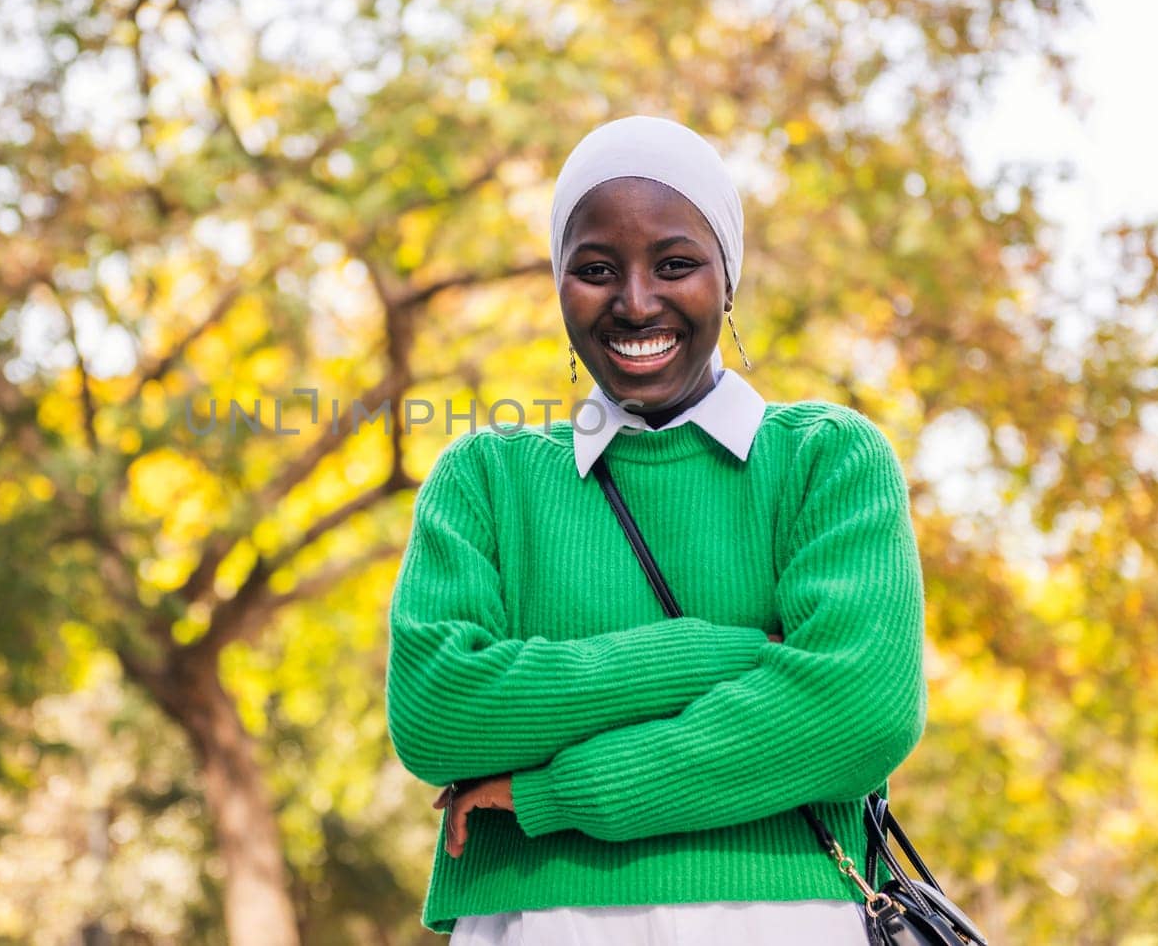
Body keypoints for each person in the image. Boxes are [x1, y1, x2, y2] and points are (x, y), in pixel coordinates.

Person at [383, 115, 928, 944]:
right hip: (532, 921)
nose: (636, 302)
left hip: (783, 920)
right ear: (560, 284)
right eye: (596, 269)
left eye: (675, 264)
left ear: (728, 276)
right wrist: (737, 651)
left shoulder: (827, 460)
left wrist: (559, 792)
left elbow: (862, 712)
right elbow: (436, 714)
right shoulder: (485, 479)